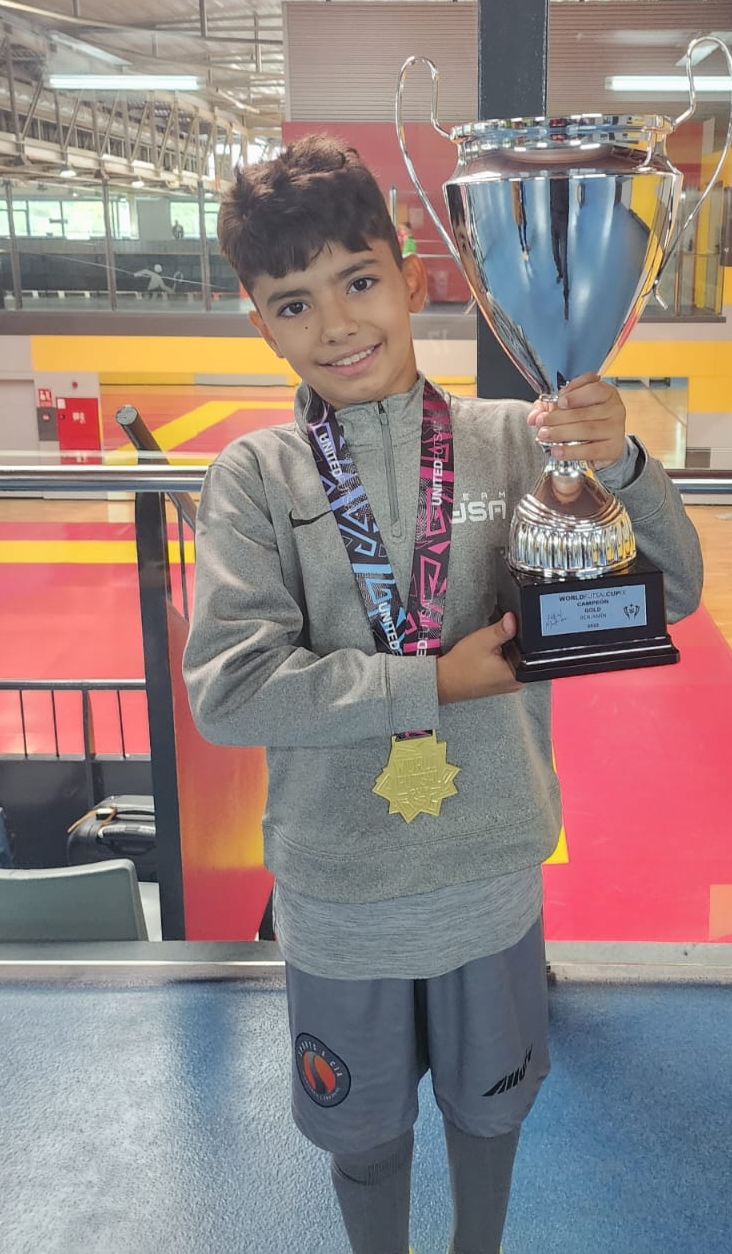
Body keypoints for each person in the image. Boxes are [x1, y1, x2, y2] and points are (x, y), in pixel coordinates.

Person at [182, 135, 703, 1254]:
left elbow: (681, 589)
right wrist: (436, 677)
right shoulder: (255, 479)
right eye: (292, 304)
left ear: (414, 277)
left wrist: (622, 465)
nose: (336, 326)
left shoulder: (513, 448)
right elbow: (230, 692)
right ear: (257, 318)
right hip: (342, 890)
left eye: (359, 282)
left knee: (489, 1114)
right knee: (363, 1137)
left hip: (487, 874)